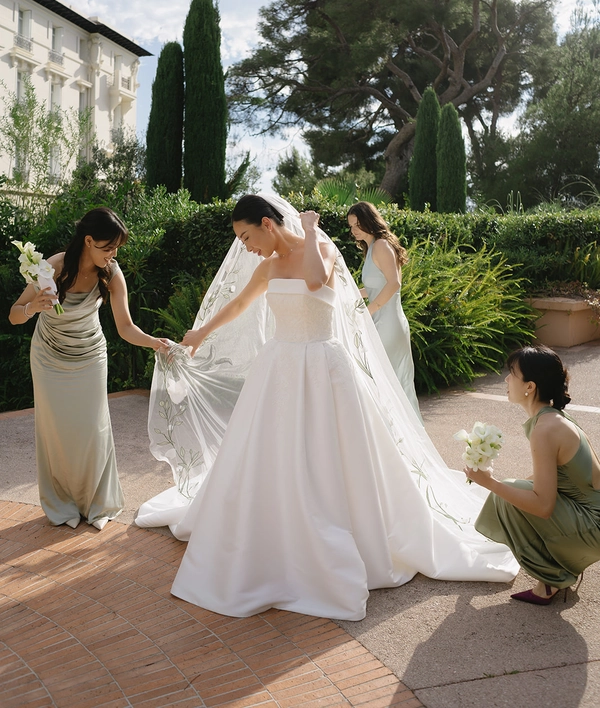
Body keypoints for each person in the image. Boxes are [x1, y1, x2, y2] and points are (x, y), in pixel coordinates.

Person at [137, 194, 518, 621]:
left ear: (267, 223)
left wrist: (313, 228)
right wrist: (201, 332)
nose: (245, 247)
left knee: (330, 450)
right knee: (273, 450)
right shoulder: (266, 268)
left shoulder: (319, 250)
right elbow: (241, 304)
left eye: (247, 236)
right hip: (279, 365)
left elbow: (317, 283)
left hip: (323, 364)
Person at [9, 207, 169, 531]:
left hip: (90, 356)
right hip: (49, 357)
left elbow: (125, 327)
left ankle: (96, 503)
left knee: (92, 431)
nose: (112, 255)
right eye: (108, 247)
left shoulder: (110, 273)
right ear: (88, 241)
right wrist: (32, 307)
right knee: (56, 433)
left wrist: (154, 342)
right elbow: (14, 314)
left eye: (116, 249)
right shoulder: (52, 268)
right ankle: (62, 503)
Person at [468, 345, 600, 604]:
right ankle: (559, 565)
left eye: (512, 374)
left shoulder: (546, 428)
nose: (506, 379)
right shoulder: (552, 419)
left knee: (506, 495)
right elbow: (553, 480)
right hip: (591, 517)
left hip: (593, 527)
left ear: (529, 386)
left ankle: (552, 575)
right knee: (513, 490)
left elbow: (543, 507)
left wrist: (489, 483)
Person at [347, 201, 420, 417]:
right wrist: (346, 293)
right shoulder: (371, 248)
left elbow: (394, 283)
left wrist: (369, 311)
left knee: (390, 380)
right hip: (380, 321)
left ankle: (403, 437)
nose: (354, 230)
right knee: (383, 381)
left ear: (370, 220)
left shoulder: (380, 245)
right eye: (351, 226)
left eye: (358, 224)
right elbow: (374, 287)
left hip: (388, 324)